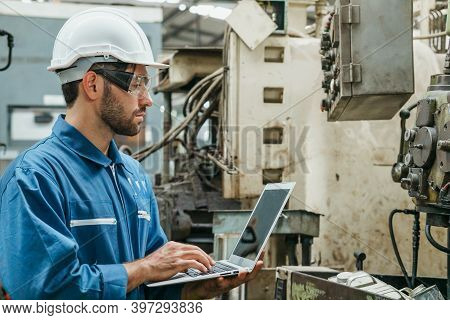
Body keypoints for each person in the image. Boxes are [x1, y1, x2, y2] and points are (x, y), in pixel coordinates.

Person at [0, 7, 262, 299]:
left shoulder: (132, 174)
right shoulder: (35, 177)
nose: (147, 99)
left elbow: (150, 286)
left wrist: (198, 287)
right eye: (136, 83)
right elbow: (44, 293)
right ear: (93, 84)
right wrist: (146, 268)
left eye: (146, 84)